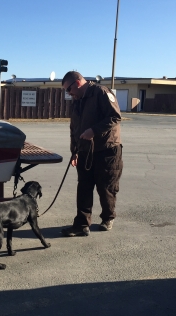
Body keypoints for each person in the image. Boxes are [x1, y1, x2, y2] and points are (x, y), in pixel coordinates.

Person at [61, 71, 123, 237]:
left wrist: (94, 131)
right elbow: (74, 128)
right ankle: (81, 224)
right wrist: (74, 151)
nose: (69, 93)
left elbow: (115, 117)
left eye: (69, 89)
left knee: (106, 188)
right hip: (85, 151)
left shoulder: (102, 93)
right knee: (84, 188)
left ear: (78, 82)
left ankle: (108, 218)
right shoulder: (77, 100)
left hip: (107, 150)